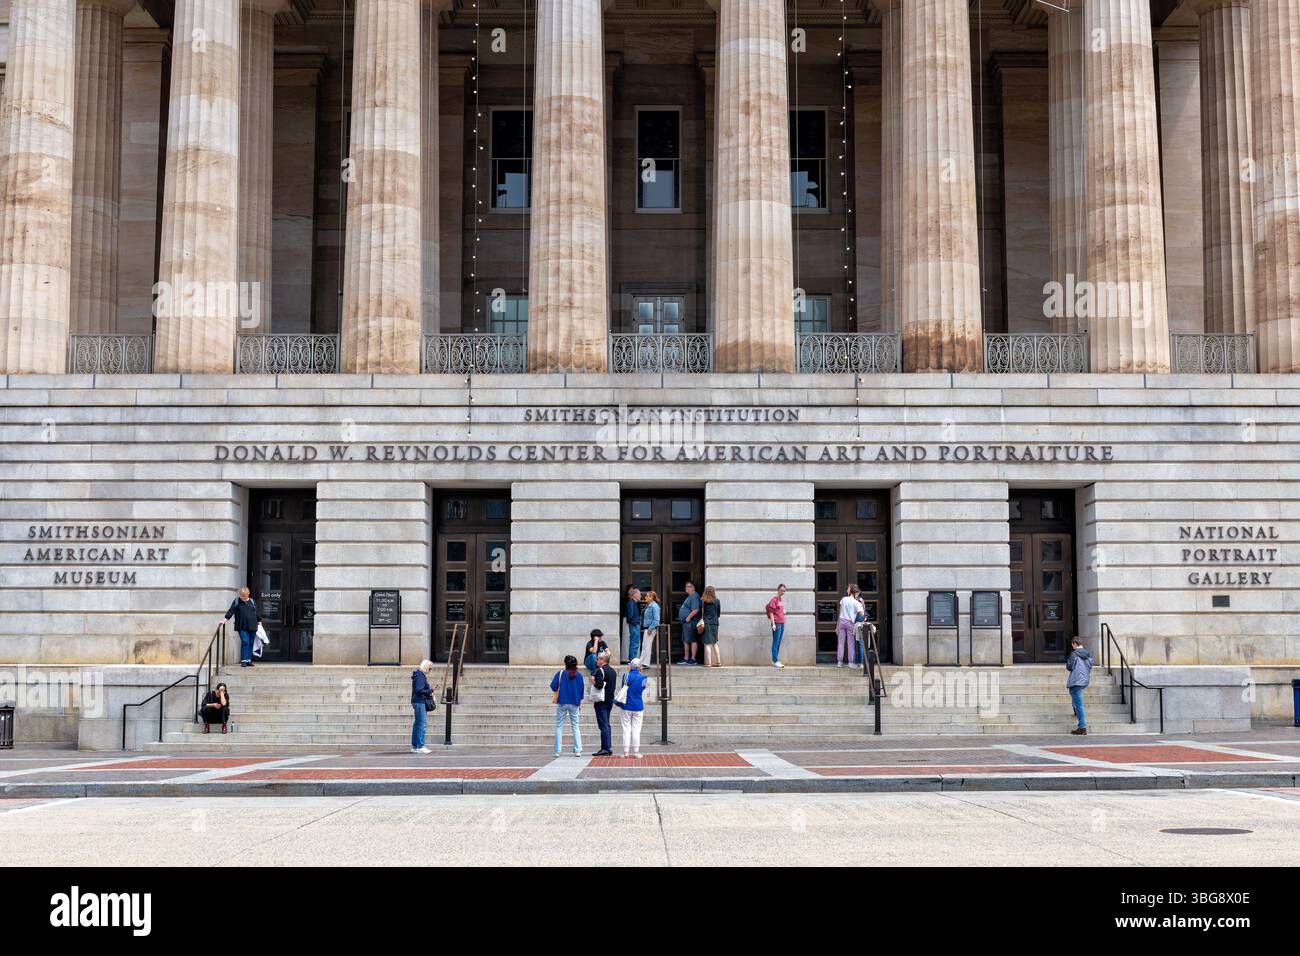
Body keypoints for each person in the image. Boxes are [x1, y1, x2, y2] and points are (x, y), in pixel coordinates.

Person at [550, 654, 586, 756]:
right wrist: (579, 702)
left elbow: (553, 687)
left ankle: (557, 751)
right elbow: (581, 691)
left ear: (565, 663)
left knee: (559, 726)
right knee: (575, 726)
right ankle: (578, 750)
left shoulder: (560, 673)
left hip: (562, 702)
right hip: (574, 703)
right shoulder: (578, 675)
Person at [220, 586, 261, 668]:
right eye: (242, 596)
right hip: (241, 625)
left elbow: (256, 612)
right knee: (245, 641)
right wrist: (225, 619)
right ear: (240, 595)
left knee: (251, 643)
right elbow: (231, 610)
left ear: (248, 595)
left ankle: (249, 660)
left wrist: (259, 621)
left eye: (245, 597)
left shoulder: (252, 601)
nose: (244, 598)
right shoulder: (236, 601)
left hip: (253, 625)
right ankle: (244, 660)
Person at [617, 658, 649, 759]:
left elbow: (623, 687)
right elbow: (642, 688)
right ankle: (636, 752)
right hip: (638, 705)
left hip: (626, 705)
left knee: (626, 729)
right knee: (636, 729)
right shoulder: (644, 678)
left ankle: (626, 752)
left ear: (631, 666)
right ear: (640, 667)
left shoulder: (625, 676)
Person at [590, 650, 617, 756]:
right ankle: (608, 747)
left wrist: (593, 680)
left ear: (602, 660)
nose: (596, 660)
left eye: (598, 658)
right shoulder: (613, 671)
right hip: (609, 700)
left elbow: (599, 685)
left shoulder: (600, 670)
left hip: (601, 701)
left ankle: (605, 748)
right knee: (607, 724)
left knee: (603, 725)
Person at [1065, 637, 1094, 735]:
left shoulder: (1074, 654)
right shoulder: (1088, 654)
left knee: (1079, 704)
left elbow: (1069, 667)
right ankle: (1075, 710)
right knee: (1076, 699)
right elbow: (1090, 665)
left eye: (1072, 645)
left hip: (1076, 680)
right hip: (1084, 680)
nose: (1072, 647)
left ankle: (1082, 727)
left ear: (1074, 644)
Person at [411, 660, 436, 754]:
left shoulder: (419, 675)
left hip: (417, 701)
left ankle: (415, 746)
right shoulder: (420, 676)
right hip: (419, 702)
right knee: (422, 724)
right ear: (426, 667)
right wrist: (430, 690)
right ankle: (420, 746)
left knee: (417, 724)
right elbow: (419, 690)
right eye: (430, 668)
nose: (431, 670)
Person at [836, 585, 863, 667]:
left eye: (848, 589)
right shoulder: (856, 602)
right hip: (850, 622)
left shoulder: (843, 599)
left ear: (851, 590)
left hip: (841, 621)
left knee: (841, 642)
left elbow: (840, 612)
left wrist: (837, 625)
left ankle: (839, 662)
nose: (847, 590)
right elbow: (862, 614)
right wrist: (855, 614)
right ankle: (850, 663)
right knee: (850, 643)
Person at [678, 580, 702, 665]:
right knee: (686, 640)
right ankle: (686, 658)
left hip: (691, 622)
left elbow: (696, 609)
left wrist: (688, 617)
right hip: (686, 623)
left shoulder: (694, 596)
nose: (686, 588)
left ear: (693, 587)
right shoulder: (690, 596)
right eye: (686, 586)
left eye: (688, 586)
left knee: (692, 640)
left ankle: (693, 659)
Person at [700, 585, 722, 667]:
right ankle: (718, 662)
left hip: (707, 623)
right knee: (714, 643)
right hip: (715, 623)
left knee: (707, 644)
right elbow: (718, 613)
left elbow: (701, 613)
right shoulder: (717, 601)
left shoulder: (703, 601)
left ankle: (708, 663)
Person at [766, 583, 787, 668]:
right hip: (777, 623)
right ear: (778, 590)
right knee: (775, 642)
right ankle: (775, 660)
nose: (783, 592)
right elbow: (771, 612)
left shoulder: (780, 600)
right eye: (781, 590)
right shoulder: (774, 600)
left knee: (778, 642)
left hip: (782, 623)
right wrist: (773, 624)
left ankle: (775, 659)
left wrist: (783, 611)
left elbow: (779, 610)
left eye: (784, 591)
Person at [640, 590, 662, 666]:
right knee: (644, 645)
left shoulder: (654, 606)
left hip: (650, 629)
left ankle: (645, 663)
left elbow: (656, 619)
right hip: (647, 628)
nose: (645, 597)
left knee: (647, 646)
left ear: (652, 598)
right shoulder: (648, 605)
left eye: (647, 596)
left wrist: (650, 628)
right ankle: (641, 662)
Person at [624, 586, 643, 662]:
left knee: (634, 642)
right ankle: (632, 660)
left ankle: (632, 659)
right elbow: (630, 616)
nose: (641, 596)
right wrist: (635, 623)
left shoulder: (633, 603)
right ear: (635, 595)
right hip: (634, 625)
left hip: (635, 625)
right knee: (634, 643)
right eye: (639, 594)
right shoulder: (631, 603)